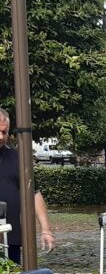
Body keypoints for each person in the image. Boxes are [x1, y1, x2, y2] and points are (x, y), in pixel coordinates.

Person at [0, 108, 54, 264]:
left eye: (5, 132)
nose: (1, 137)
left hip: (11, 239)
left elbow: (33, 194)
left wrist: (46, 230)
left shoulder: (18, 158)